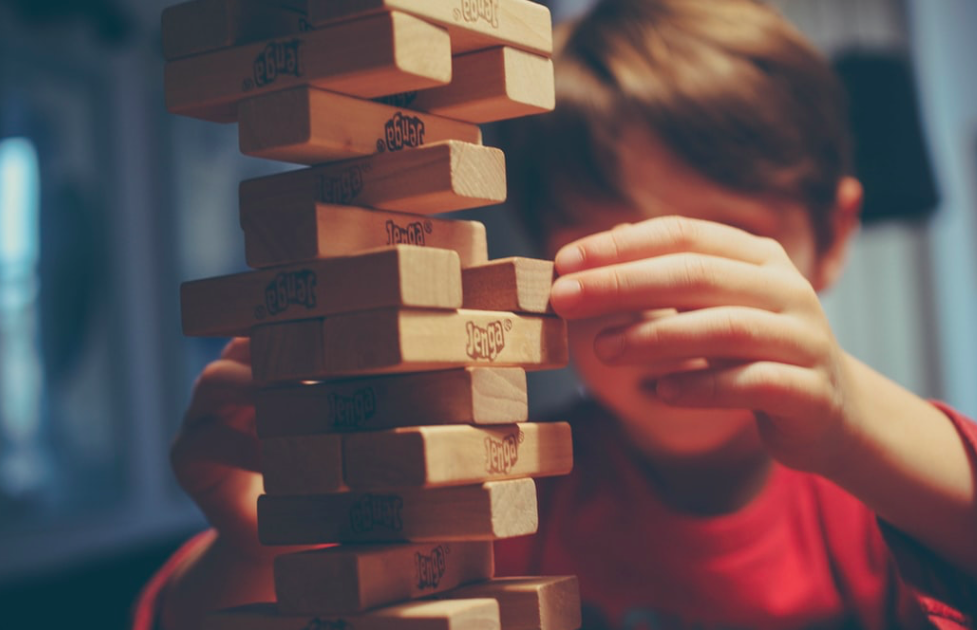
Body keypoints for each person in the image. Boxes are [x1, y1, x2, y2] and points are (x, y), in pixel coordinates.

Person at [137, 0, 977, 628]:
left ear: (830, 236)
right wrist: (259, 551)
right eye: (611, 247)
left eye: (722, 246)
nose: (668, 304)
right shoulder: (495, 488)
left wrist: (849, 415)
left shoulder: (881, 493)